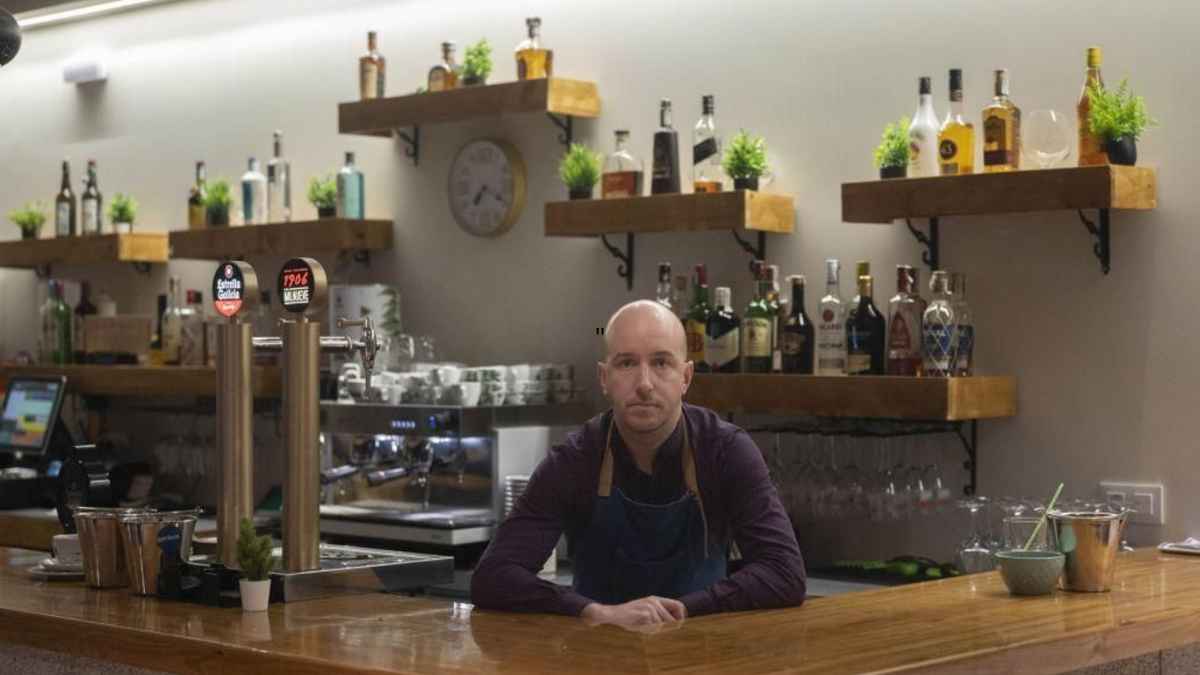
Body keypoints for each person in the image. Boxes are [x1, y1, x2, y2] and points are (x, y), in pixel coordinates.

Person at [471, 300, 806, 627]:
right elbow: (493, 576)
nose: (644, 384)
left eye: (661, 363)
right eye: (627, 363)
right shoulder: (576, 458)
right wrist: (592, 612)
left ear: (686, 377)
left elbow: (784, 572)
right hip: (598, 656)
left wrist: (686, 610)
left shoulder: (726, 451)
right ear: (604, 378)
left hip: (703, 654)